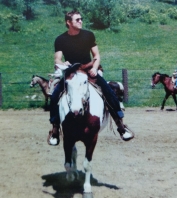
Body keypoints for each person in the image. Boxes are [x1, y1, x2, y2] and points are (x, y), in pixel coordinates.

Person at [47, 10, 134, 145]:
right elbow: (57, 60)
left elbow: (97, 56)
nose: (81, 21)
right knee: (54, 96)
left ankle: (120, 126)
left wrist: (94, 68)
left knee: (108, 91)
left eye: (81, 19)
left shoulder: (88, 35)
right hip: (71, 72)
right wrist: (63, 63)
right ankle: (55, 130)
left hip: (89, 69)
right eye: (77, 20)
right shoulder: (60, 39)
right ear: (68, 22)